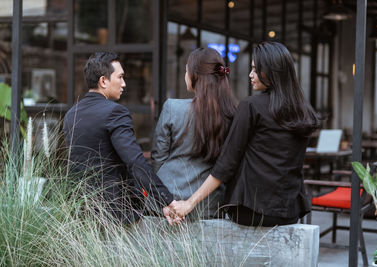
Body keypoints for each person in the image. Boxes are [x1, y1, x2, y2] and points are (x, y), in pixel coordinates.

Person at [171, 42, 321, 226]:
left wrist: (189, 203)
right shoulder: (304, 112)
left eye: (256, 70)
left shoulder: (251, 106)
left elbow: (226, 164)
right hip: (289, 212)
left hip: (251, 211)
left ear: (271, 71)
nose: (251, 75)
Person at [63, 52, 177, 225]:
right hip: (114, 214)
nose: (124, 84)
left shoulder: (71, 114)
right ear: (103, 81)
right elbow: (135, 162)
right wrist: (167, 200)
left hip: (79, 212)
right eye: (120, 77)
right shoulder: (115, 112)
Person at [151, 47, 236, 219]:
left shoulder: (172, 108)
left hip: (167, 202)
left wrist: (166, 193)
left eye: (186, 71)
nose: (185, 75)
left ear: (195, 76)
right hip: (209, 205)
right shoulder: (232, 115)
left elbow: (158, 158)